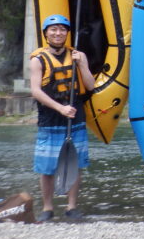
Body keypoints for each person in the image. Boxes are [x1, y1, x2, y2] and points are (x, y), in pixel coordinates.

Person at [29, 14, 96, 222]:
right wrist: (60, 108)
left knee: (74, 163)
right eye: (53, 30)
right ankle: (48, 208)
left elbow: (91, 85)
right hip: (51, 118)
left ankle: (71, 206)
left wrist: (82, 65)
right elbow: (36, 91)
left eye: (62, 30)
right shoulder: (37, 60)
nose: (58, 33)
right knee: (47, 167)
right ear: (46, 34)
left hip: (75, 116)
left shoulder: (78, 55)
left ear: (67, 33)